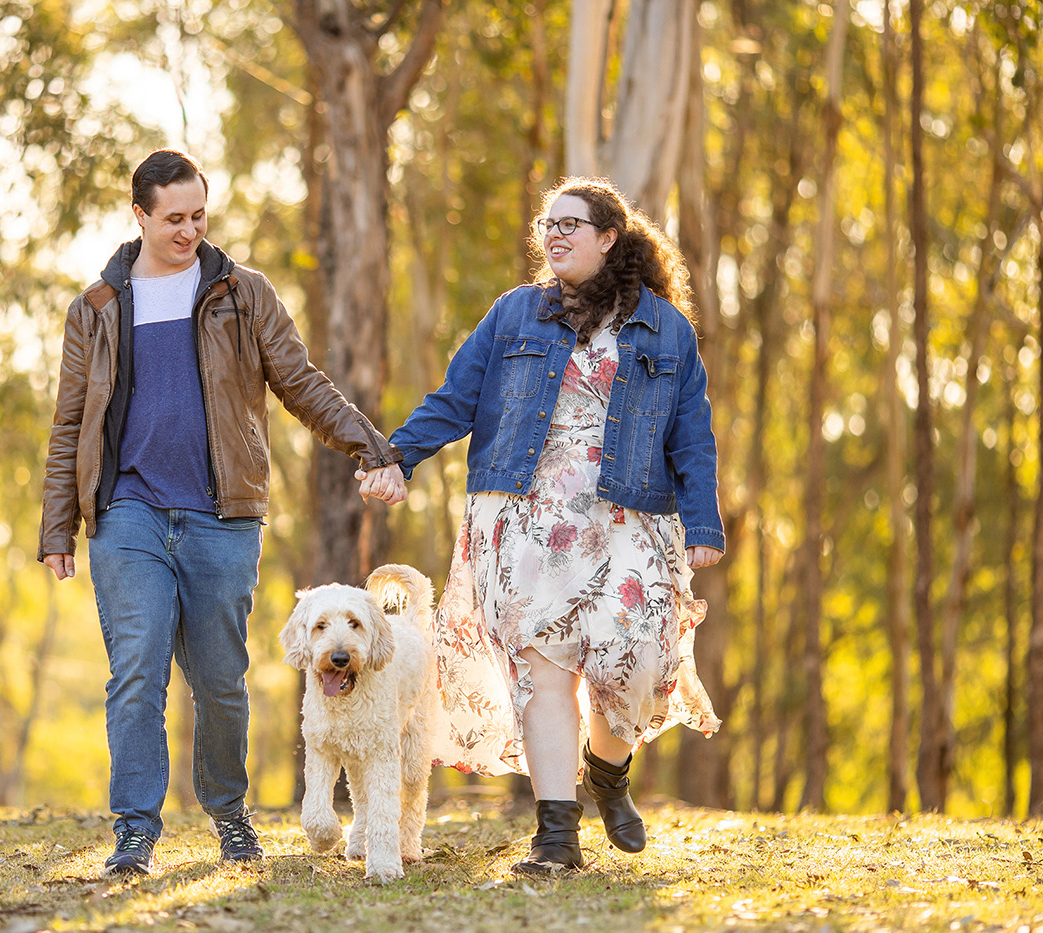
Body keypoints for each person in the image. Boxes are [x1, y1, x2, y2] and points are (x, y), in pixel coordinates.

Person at [38, 149, 405, 877]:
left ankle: (230, 813)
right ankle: (135, 831)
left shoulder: (243, 292)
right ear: (138, 215)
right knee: (136, 671)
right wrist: (58, 526)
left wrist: (373, 447)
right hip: (128, 513)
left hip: (222, 516)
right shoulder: (100, 307)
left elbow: (300, 381)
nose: (189, 230)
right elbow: (70, 420)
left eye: (199, 215)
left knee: (219, 680)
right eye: (172, 218)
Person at [380, 176, 725, 874]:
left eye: (573, 224)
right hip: (523, 516)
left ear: (608, 239)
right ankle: (556, 835)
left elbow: (692, 433)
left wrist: (703, 521)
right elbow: (457, 398)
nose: (555, 234)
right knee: (541, 675)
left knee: (637, 665)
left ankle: (608, 771)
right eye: (548, 223)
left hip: (632, 516)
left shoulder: (665, 328)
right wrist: (398, 454)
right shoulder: (513, 315)